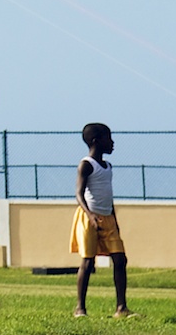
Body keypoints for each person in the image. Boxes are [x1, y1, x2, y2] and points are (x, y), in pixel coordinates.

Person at [71, 122, 130, 318]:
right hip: (89, 218)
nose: (112, 143)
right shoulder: (86, 165)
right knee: (88, 262)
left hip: (108, 218)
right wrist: (90, 215)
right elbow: (79, 194)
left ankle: (121, 307)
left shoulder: (107, 166)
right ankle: (80, 308)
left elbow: (108, 195)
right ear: (97, 141)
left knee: (120, 259)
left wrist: (114, 219)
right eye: (108, 138)